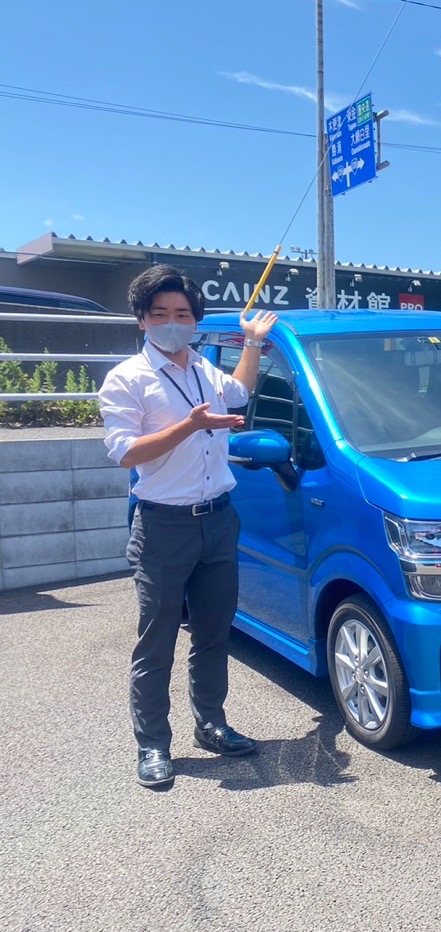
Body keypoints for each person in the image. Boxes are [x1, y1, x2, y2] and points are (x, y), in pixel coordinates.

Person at [98, 265, 277, 789]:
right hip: (162, 527)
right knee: (155, 642)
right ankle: (153, 743)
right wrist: (190, 425)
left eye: (182, 314)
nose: (173, 323)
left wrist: (250, 343)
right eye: (161, 314)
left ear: (195, 320)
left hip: (219, 519)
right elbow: (126, 451)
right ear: (142, 321)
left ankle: (212, 724)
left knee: (214, 633)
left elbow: (240, 392)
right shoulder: (127, 379)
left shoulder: (203, 368)